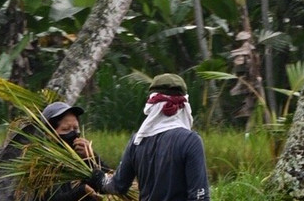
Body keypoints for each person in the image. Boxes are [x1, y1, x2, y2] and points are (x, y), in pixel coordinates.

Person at [89, 73, 210, 201]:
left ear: (152, 104)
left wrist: (100, 179)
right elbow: (199, 196)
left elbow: (118, 186)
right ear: (184, 106)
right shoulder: (190, 141)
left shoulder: (137, 141)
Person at [38, 100, 110, 201]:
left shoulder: (80, 156)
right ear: (49, 134)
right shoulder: (41, 163)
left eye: (76, 129)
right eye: (66, 129)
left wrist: (91, 158)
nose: (73, 134)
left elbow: (111, 182)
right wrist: (81, 191)